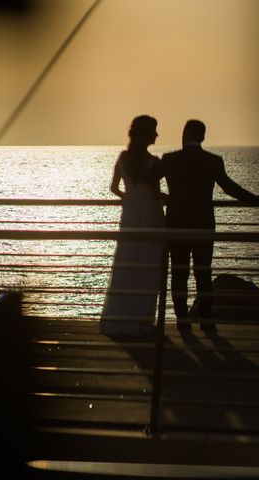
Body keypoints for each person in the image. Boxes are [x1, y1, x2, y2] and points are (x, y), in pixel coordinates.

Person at [149, 119, 259, 332]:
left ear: (184, 135)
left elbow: (148, 180)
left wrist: (162, 196)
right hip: (203, 224)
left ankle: (182, 320)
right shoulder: (213, 161)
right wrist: (257, 199)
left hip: (176, 224)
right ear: (203, 137)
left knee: (179, 273)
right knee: (203, 272)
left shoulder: (170, 159)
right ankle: (206, 319)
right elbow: (230, 188)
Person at [100, 115, 166, 336]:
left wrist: (129, 198)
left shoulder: (123, 159)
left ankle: (122, 315)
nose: (157, 134)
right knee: (148, 264)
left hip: (130, 216)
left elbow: (113, 188)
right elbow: (156, 194)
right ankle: (143, 317)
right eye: (154, 130)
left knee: (127, 263)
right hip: (150, 216)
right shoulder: (154, 163)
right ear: (146, 134)